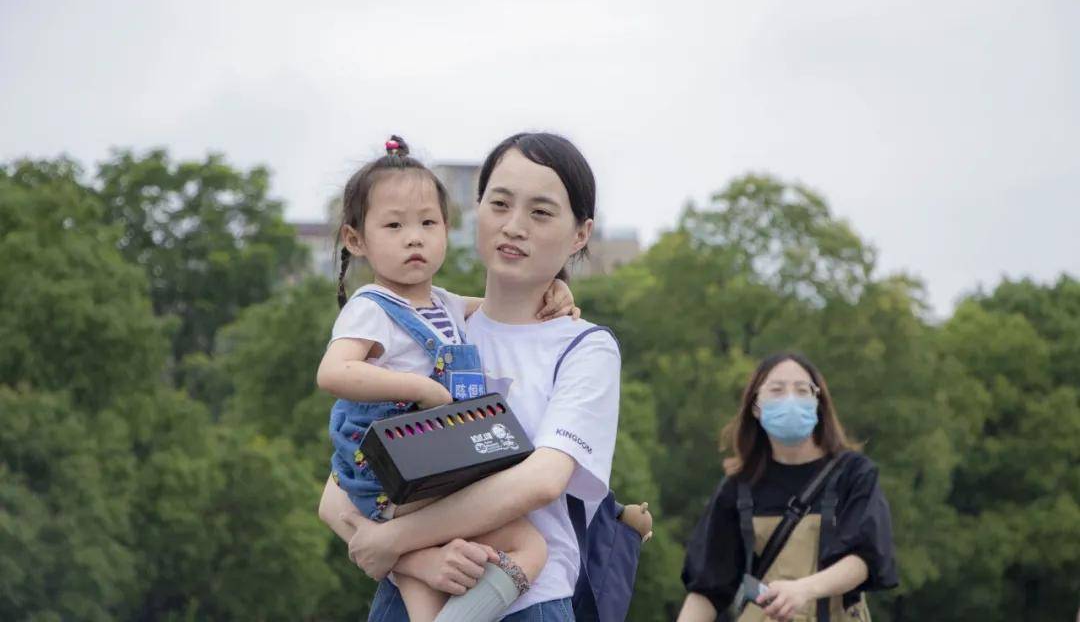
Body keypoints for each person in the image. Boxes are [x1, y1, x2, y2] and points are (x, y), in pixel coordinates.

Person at [319, 132, 651, 622]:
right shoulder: (436, 332)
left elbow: (540, 483)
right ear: (477, 213)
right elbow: (336, 492)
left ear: (580, 234)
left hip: (526, 602)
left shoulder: (583, 346)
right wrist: (421, 560)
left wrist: (396, 539)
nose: (514, 226)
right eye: (499, 204)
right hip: (414, 592)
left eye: (540, 212)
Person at [678, 353, 897, 622]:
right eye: (777, 390)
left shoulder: (854, 473)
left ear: (818, 403)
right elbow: (706, 590)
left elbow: (865, 558)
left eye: (802, 390)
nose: (791, 399)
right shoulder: (737, 488)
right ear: (756, 406)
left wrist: (804, 589)